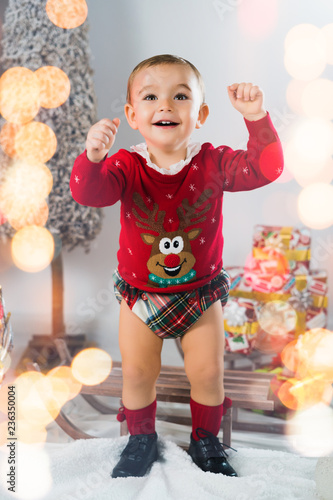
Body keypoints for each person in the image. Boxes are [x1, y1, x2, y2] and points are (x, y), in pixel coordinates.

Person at [70, 54, 284, 479]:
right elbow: (88, 194)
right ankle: (140, 438)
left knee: (207, 372)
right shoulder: (126, 166)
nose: (165, 105)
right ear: (132, 114)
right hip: (141, 296)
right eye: (151, 96)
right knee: (136, 371)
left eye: (180, 96)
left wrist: (256, 118)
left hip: (200, 294)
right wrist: (92, 156)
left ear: (200, 114)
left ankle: (205, 440)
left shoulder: (214, 162)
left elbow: (267, 167)